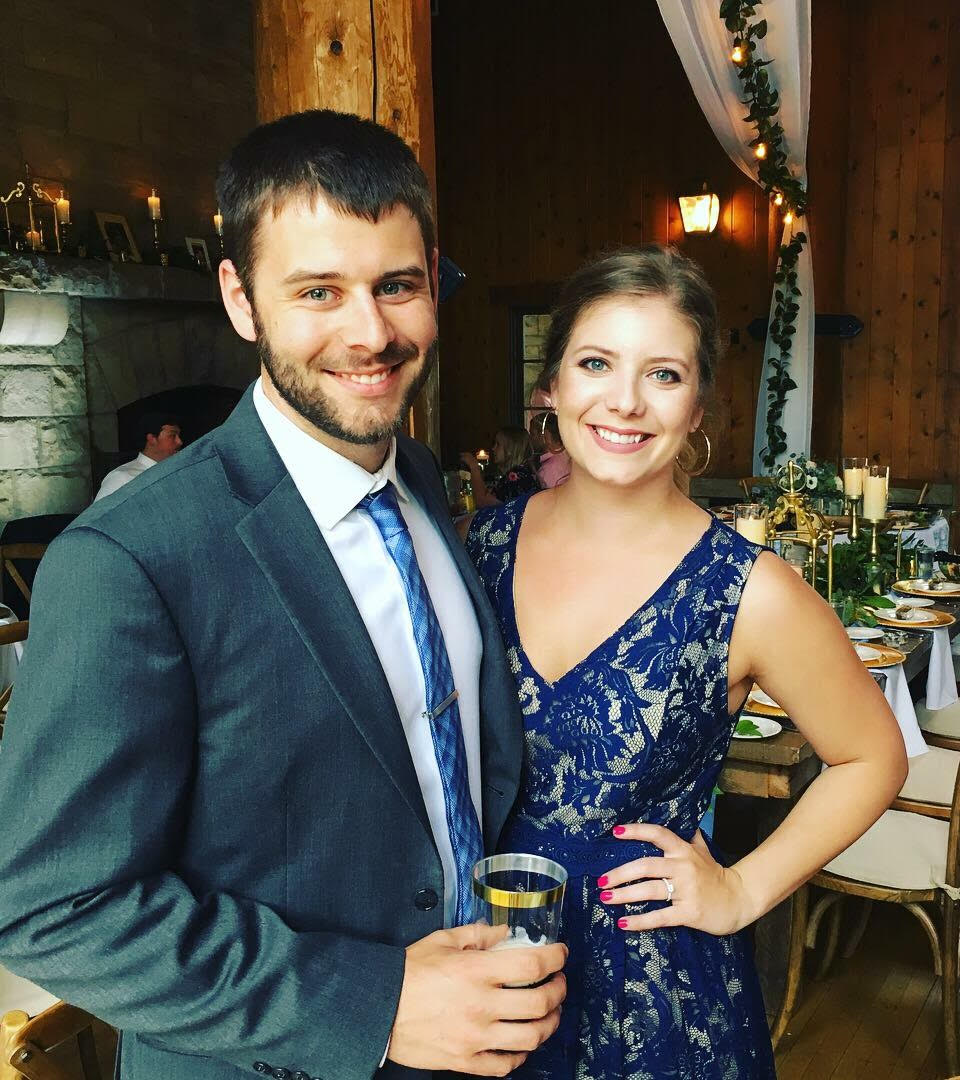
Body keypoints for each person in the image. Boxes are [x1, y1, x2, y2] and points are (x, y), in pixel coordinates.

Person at [0, 110, 566, 1080]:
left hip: (479, 1029)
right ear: (241, 298)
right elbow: (52, 906)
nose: (371, 333)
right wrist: (378, 1006)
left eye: (397, 286)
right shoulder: (127, 560)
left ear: (434, 279)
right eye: (318, 292)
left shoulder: (418, 478)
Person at [465, 245, 908, 1078]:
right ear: (551, 384)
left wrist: (742, 889)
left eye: (663, 374)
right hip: (492, 967)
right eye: (596, 363)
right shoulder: (481, 544)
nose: (625, 401)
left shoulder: (749, 590)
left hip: (653, 991)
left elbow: (873, 756)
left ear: (698, 405)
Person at [93, 412, 183, 501]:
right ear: (152, 438)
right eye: (172, 436)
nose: (180, 442)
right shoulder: (121, 478)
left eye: (179, 436)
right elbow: (100, 511)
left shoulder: (178, 473)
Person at [462, 426, 540, 507]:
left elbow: (482, 502)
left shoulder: (516, 476)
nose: (493, 448)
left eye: (498, 444)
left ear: (510, 450)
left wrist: (474, 467)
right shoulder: (524, 471)